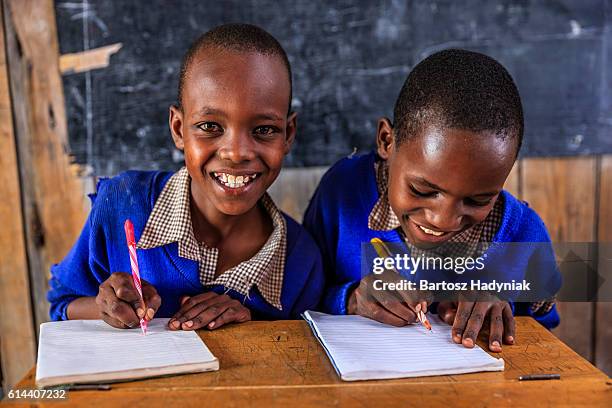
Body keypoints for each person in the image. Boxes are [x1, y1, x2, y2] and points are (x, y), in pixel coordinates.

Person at [48, 23, 324, 331]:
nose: (236, 153)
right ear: (179, 129)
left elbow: (301, 360)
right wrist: (105, 307)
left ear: (288, 134)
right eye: (209, 126)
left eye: (264, 130)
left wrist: (251, 323)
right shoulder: (123, 204)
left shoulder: (302, 261)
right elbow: (61, 304)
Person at [304, 49, 560, 352]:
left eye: (478, 200)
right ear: (387, 141)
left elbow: (543, 338)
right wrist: (350, 299)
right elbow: (303, 296)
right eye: (423, 191)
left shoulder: (524, 236)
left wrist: (500, 311)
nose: (444, 220)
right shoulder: (343, 193)